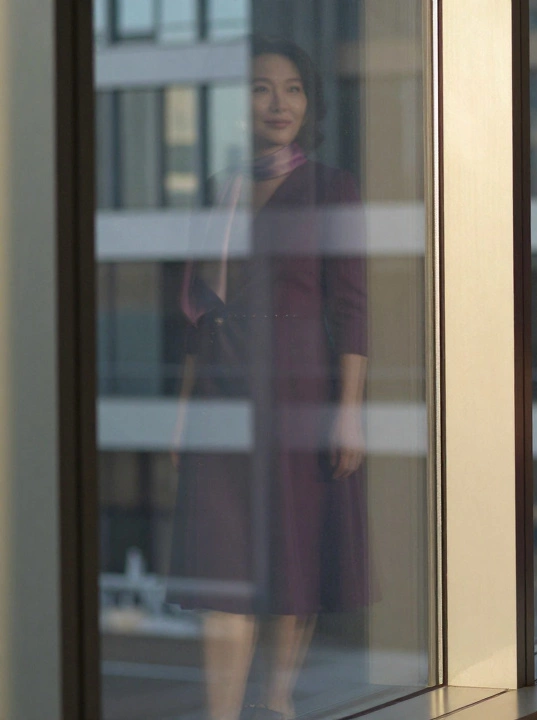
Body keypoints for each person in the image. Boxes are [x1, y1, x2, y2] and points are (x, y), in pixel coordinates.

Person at [167, 35, 373, 720]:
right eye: (260, 88)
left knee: (292, 561)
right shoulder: (216, 190)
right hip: (222, 392)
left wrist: (348, 411)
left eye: (291, 88)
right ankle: (221, 714)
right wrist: (183, 413)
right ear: (239, 103)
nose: (278, 102)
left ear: (309, 103)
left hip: (299, 390)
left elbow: (351, 307)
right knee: (220, 568)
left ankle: (278, 704)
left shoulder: (332, 187)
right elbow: (196, 318)